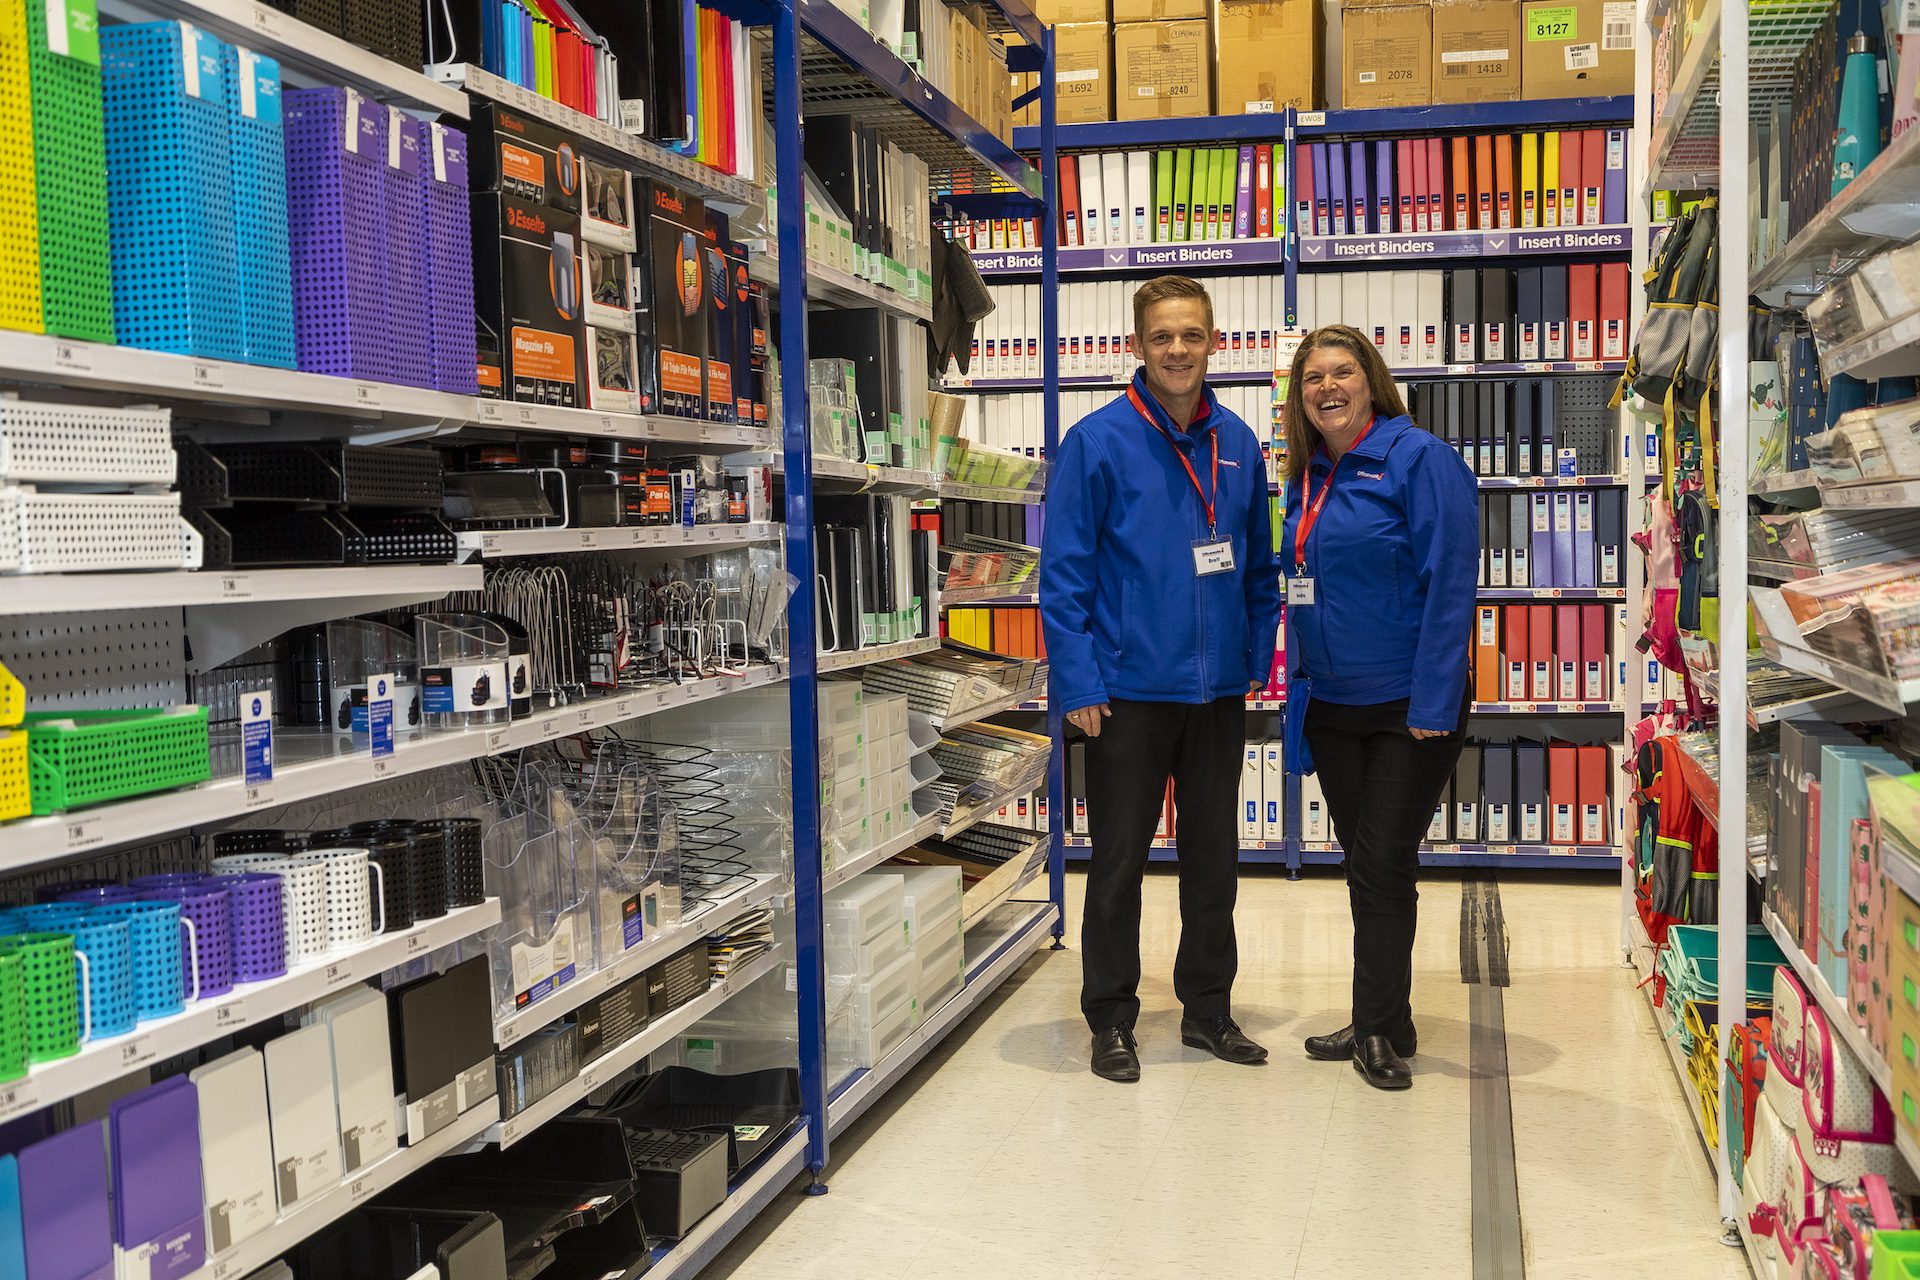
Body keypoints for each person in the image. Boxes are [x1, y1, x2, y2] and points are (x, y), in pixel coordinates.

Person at [1040, 275, 1284, 1084]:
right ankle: (1111, 1017)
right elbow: (1064, 577)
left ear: (1214, 341)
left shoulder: (1240, 443)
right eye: (1162, 337)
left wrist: (1252, 662)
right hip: (1126, 693)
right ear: (1137, 346)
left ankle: (1208, 1011)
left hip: (1214, 696)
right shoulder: (1098, 442)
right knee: (1116, 866)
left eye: (1192, 335)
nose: (1177, 350)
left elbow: (1257, 570)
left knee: (1215, 861)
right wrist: (1078, 685)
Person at [1277, 325, 1479, 1091]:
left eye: (1342, 372)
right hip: (1333, 704)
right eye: (1312, 378)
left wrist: (1434, 699)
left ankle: (1374, 1030)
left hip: (1408, 706)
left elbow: (1451, 584)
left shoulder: (1420, 460)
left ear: (1371, 380)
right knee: (1365, 868)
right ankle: (1388, 1019)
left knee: (1383, 862)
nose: (1327, 387)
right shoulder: (1309, 475)